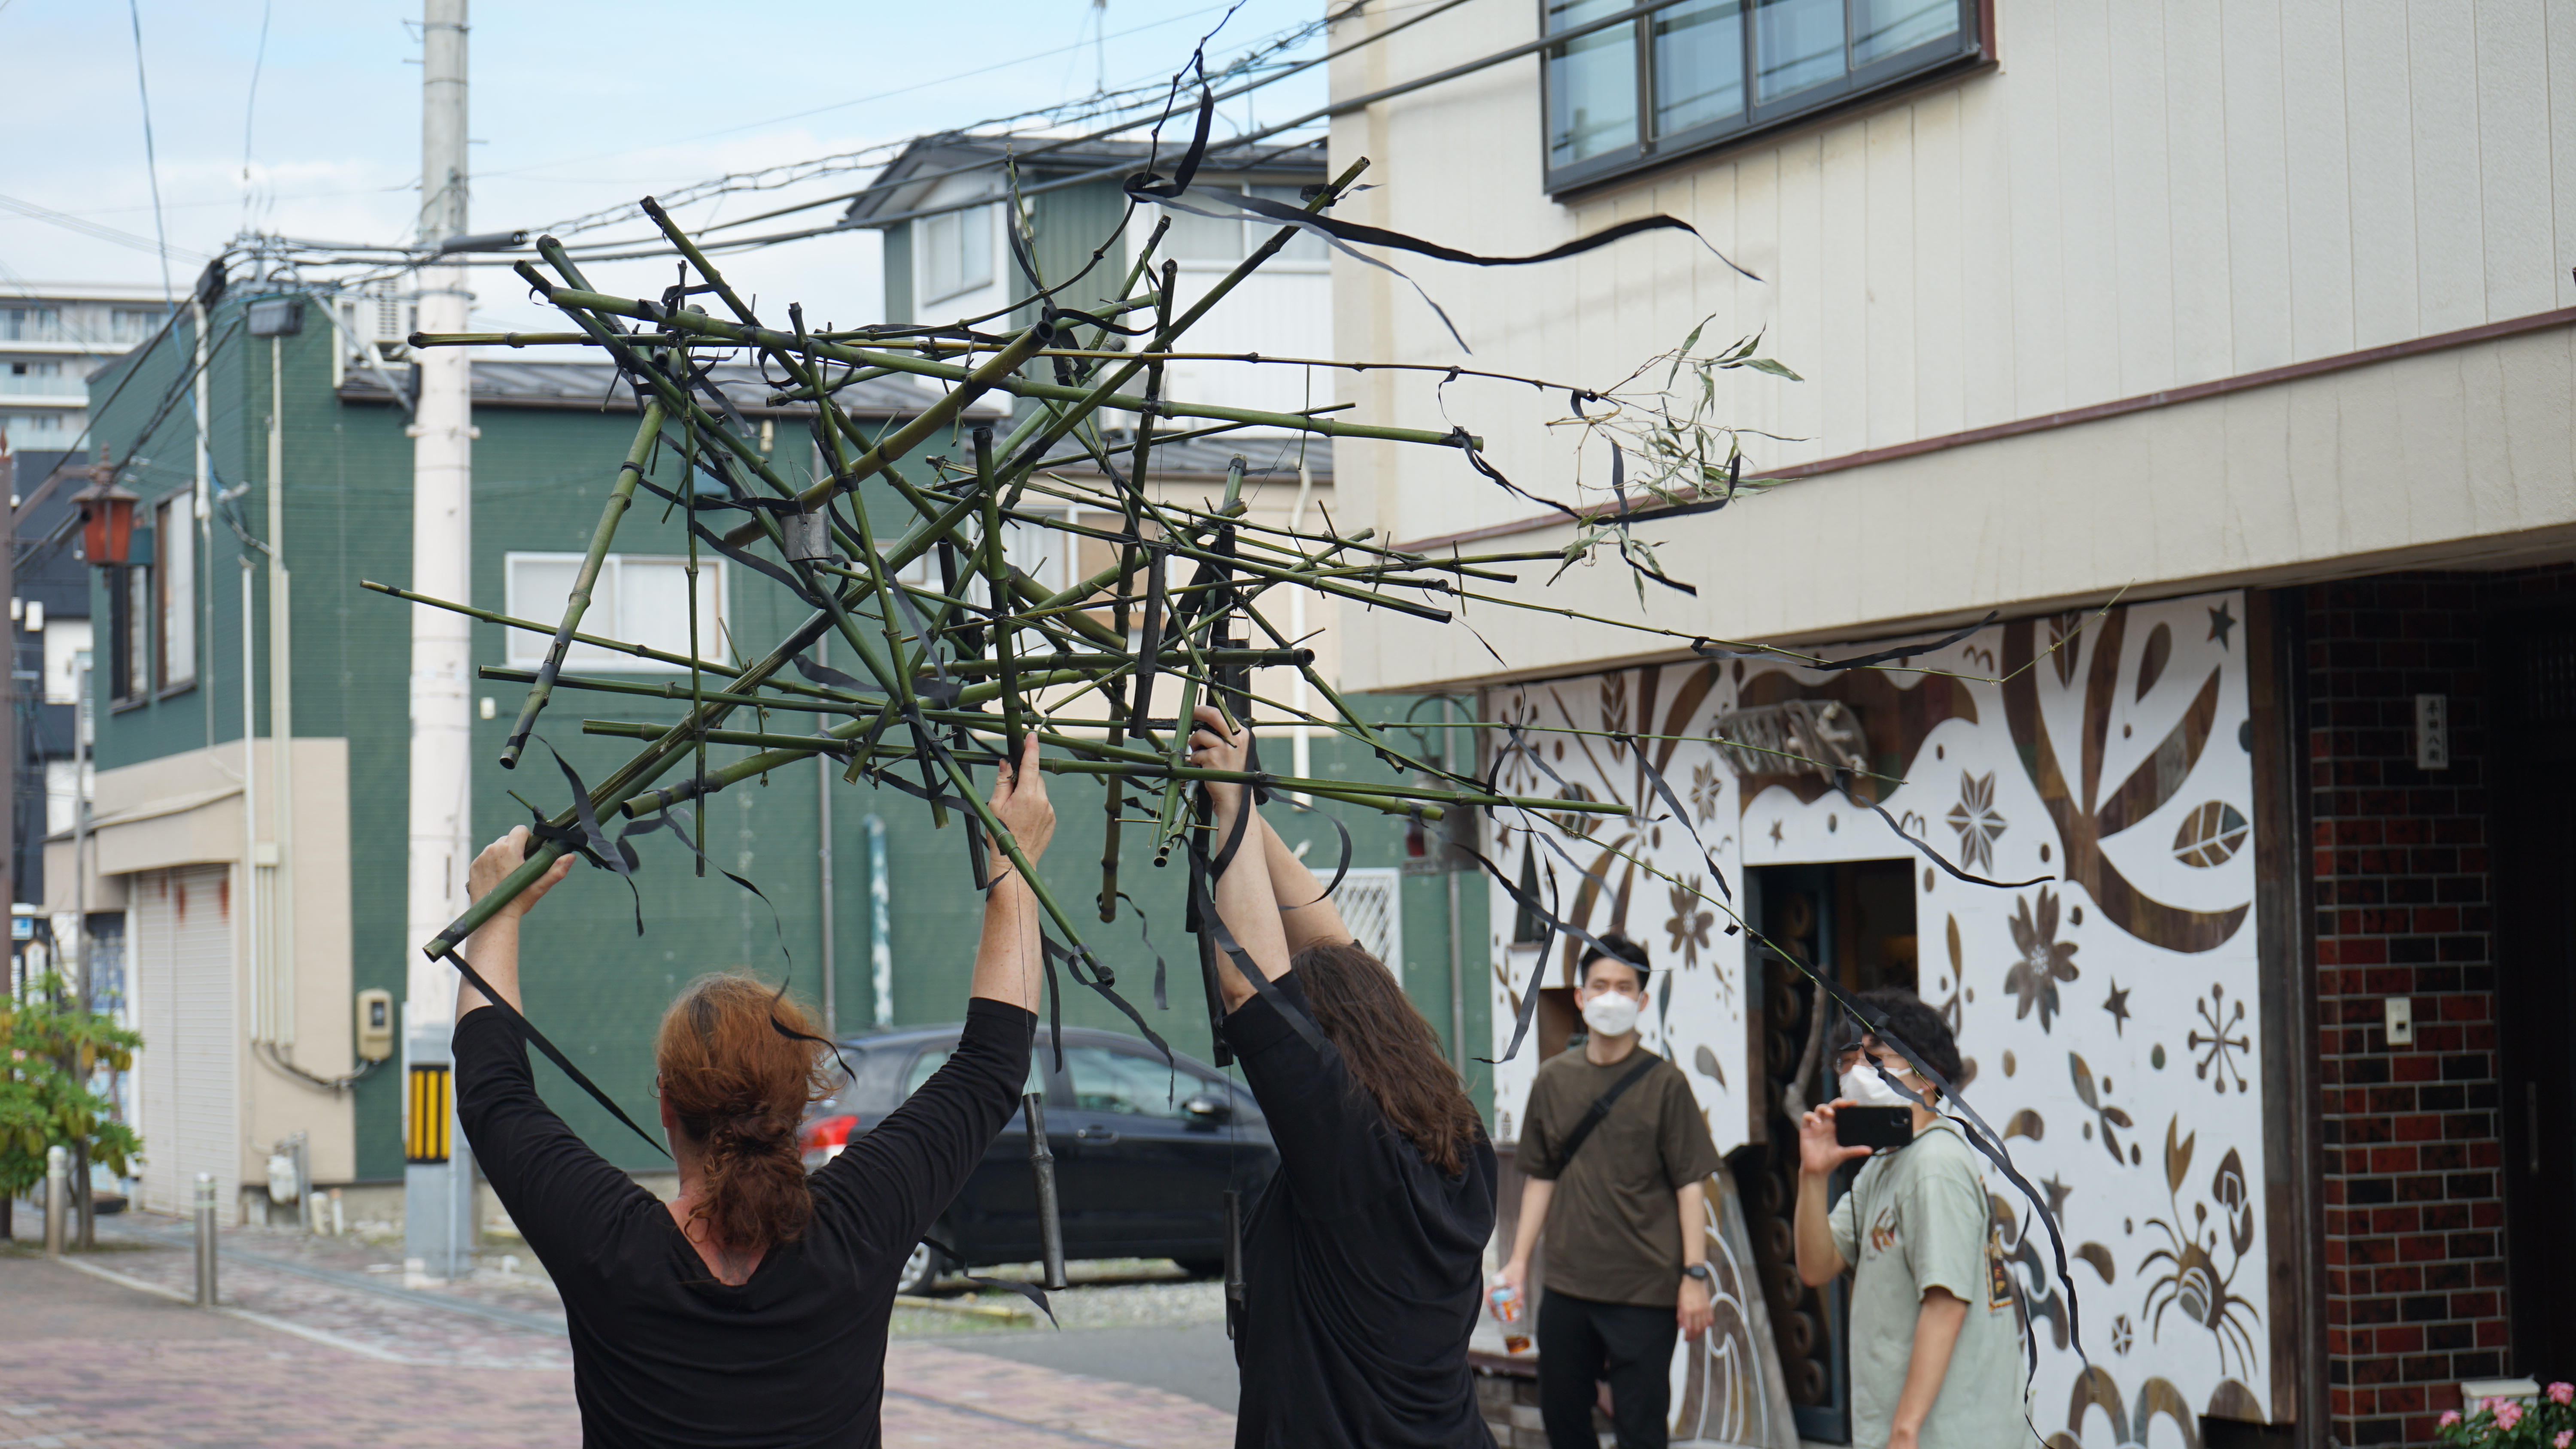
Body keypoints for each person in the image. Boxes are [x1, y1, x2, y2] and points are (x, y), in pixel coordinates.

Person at [452, 736, 1053, 1448]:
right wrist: (1014, 864)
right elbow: (991, 1066)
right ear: (800, 1102)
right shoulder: (857, 1224)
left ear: (666, 1103)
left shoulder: (608, 1244)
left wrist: (495, 917)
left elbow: (495, 1096)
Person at [1184, 703, 1498, 1449]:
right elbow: (1341, 957)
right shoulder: (1459, 1143)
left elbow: (1252, 991)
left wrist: (1232, 808)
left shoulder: (1354, 1159)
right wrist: (1241, 804)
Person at [1496, 932, 1724, 1449]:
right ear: (1580, 996)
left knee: (1641, 1430)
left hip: (1644, 1289)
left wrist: (1694, 1275)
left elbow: (1690, 1185)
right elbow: (1541, 1177)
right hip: (1567, 1286)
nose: (1611, 998)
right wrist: (1517, 1263)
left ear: (1642, 1001)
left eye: (1625, 988)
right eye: (1600, 986)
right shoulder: (1552, 1081)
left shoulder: (1666, 1084)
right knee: (1563, 1421)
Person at [1793, 988, 2024, 1449]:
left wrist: (1905, 1429)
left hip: (1946, 1434)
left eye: (1875, 1058)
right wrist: (1813, 1176)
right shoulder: (1884, 1164)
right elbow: (1817, 1266)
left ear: (1929, 1077)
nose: (1857, 1074)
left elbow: (1945, 1304)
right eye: (1847, 1062)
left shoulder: (1934, 1164)